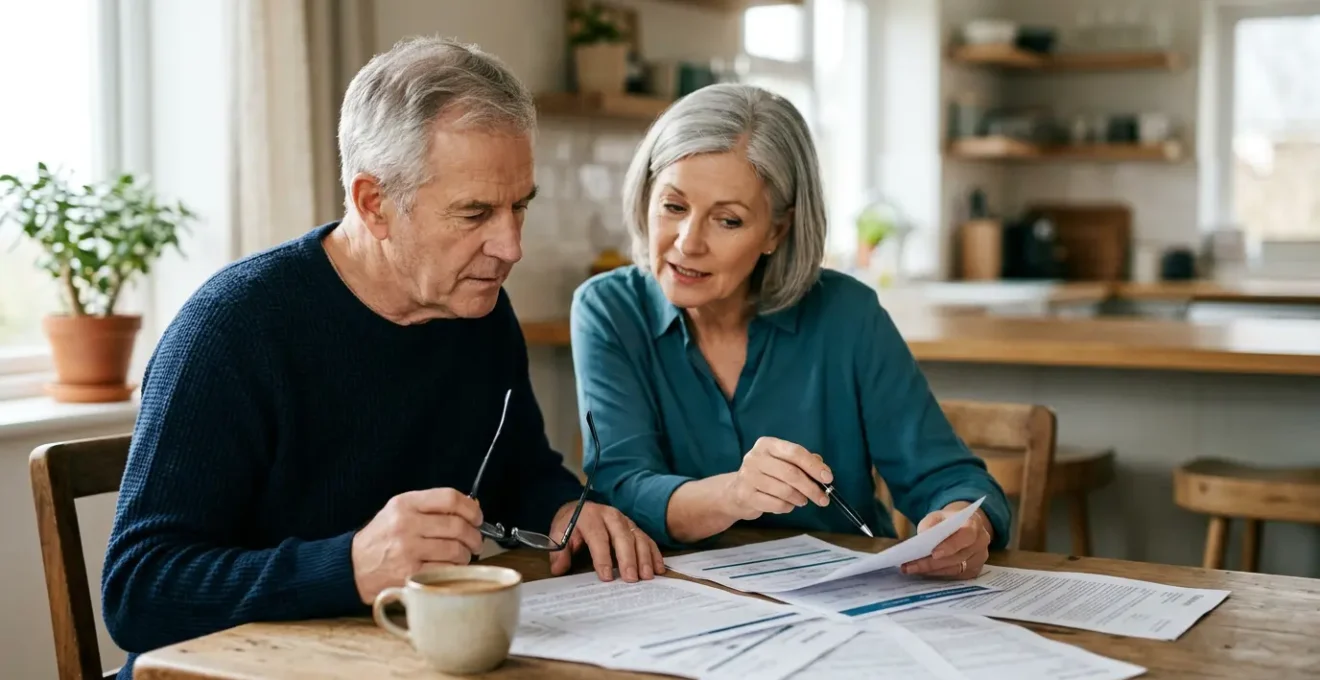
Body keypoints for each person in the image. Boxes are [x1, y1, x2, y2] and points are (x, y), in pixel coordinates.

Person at [101, 37, 663, 678]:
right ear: (374, 204)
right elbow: (138, 593)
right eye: (474, 213)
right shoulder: (231, 330)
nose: (511, 246)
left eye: (520, 206)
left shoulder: (477, 310)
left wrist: (565, 508)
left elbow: (520, 471)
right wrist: (349, 566)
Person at [569, 83, 1011, 580]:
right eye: (673, 207)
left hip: (849, 601)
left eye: (728, 220)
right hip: (673, 600)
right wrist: (735, 493)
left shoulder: (847, 313)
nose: (687, 243)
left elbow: (949, 477)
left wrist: (963, 524)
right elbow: (620, 487)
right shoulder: (607, 309)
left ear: (777, 231)